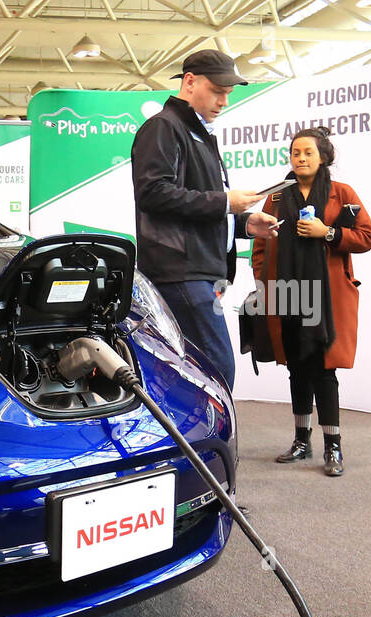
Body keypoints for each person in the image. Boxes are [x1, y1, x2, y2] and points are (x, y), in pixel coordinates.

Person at [131, 49, 279, 391]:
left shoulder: (196, 132)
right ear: (189, 81)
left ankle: (193, 444)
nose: (224, 100)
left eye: (228, 93)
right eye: (217, 90)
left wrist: (244, 224)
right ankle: (208, 444)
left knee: (192, 372)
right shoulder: (164, 128)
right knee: (216, 370)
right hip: (182, 272)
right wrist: (226, 201)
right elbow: (153, 193)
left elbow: (196, 204)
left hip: (196, 272)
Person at [250, 127, 371, 477]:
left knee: (324, 370)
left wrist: (328, 232)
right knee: (296, 367)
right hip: (287, 294)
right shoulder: (276, 197)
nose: (300, 158)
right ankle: (301, 441)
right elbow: (260, 244)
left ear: (323, 157)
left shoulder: (341, 193)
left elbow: (366, 237)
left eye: (307, 152)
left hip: (328, 298)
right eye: (295, 153)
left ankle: (333, 446)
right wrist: (265, 281)